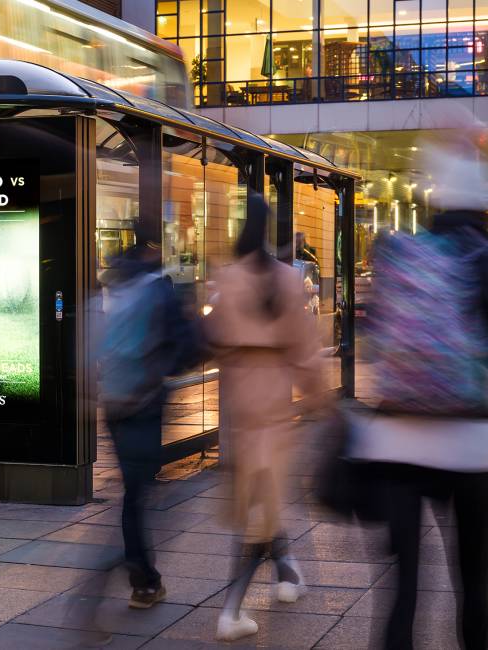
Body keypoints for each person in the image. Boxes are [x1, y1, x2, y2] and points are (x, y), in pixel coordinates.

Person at [351, 142, 488, 650]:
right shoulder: (483, 257)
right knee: (473, 583)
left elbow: (375, 340)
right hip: (472, 444)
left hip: (398, 441)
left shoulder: (402, 253)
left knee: (403, 588)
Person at [206, 193, 322, 641]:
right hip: (273, 410)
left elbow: (213, 337)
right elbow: (306, 355)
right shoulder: (287, 281)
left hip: (239, 409)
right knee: (262, 510)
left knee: (261, 501)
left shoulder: (227, 277)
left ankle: (288, 574)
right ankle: (231, 611)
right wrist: (322, 405)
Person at [97, 242, 201, 609]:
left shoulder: (113, 282)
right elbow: (187, 350)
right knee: (137, 496)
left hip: (113, 400)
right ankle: (140, 578)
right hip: (143, 400)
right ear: (151, 253)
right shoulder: (157, 288)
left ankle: (142, 574)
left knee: (133, 490)